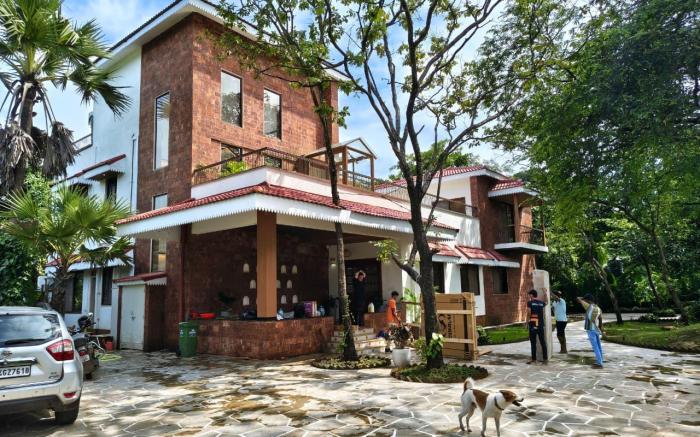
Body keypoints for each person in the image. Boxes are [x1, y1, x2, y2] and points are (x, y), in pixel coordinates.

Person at [577, 294, 605, 368]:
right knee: (598, 346)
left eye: (586, 300)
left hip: (590, 329)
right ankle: (601, 360)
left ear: (588, 300)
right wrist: (600, 329)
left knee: (595, 346)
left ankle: (599, 363)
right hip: (596, 329)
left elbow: (578, 298)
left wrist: (583, 298)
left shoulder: (588, 306)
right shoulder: (598, 308)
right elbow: (600, 320)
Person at [526, 289, 548, 364]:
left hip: (533, 325)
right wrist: (545, 293)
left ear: (531, 295)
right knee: (543, 342)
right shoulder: (541, 303)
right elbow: (546, 302)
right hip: (540, 325)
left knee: (533, 343)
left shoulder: (530, 303)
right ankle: (545, 359)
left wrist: (527, 321)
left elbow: (529, 312)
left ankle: (534, 359)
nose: (529, 296)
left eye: (529, 295)